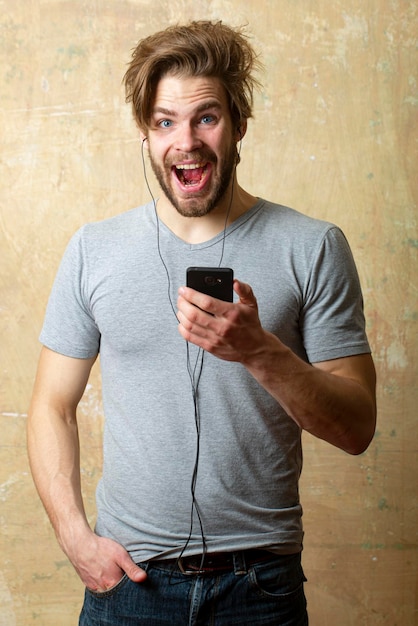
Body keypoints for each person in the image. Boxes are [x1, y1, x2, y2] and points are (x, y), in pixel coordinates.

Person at [27, 20, 376, 626]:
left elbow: (356, 427)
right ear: (145, 133)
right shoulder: (94, 250)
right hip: (127, 585)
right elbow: (51, 406)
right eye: (165, 121)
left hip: (260, 588)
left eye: (206, 117)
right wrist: (76, 540)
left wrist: (259, 351)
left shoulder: (312, 246)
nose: (185, 141)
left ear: (240, 124)